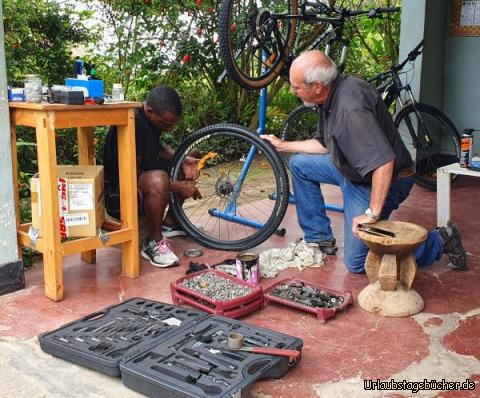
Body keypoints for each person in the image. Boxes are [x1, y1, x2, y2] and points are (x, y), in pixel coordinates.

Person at [262, 51, 467, 273]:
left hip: (382, 180)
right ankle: (319, 238)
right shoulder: (329, 97)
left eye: (296, 86)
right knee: (300, 165)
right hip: (351, 169)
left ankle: (438, 240)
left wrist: (372, 213)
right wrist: (284, 145)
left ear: (318, 86)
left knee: (357, 263)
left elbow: (384, 162)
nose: (292, 90)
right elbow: (324, 144)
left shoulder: (350, 110)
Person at [103, 85, 201, 268]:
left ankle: (170, 223)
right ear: (150, 111)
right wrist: (179, 186)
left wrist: (185, 159)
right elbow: (132, 174)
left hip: (143, 175)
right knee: (159, 179)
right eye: (166, 124)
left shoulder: (150, 119)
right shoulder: (134, 123)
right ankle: (152, 242)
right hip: (119, 190)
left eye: (172, 124)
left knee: (192, 156)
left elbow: (158, 147)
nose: (169, 129)